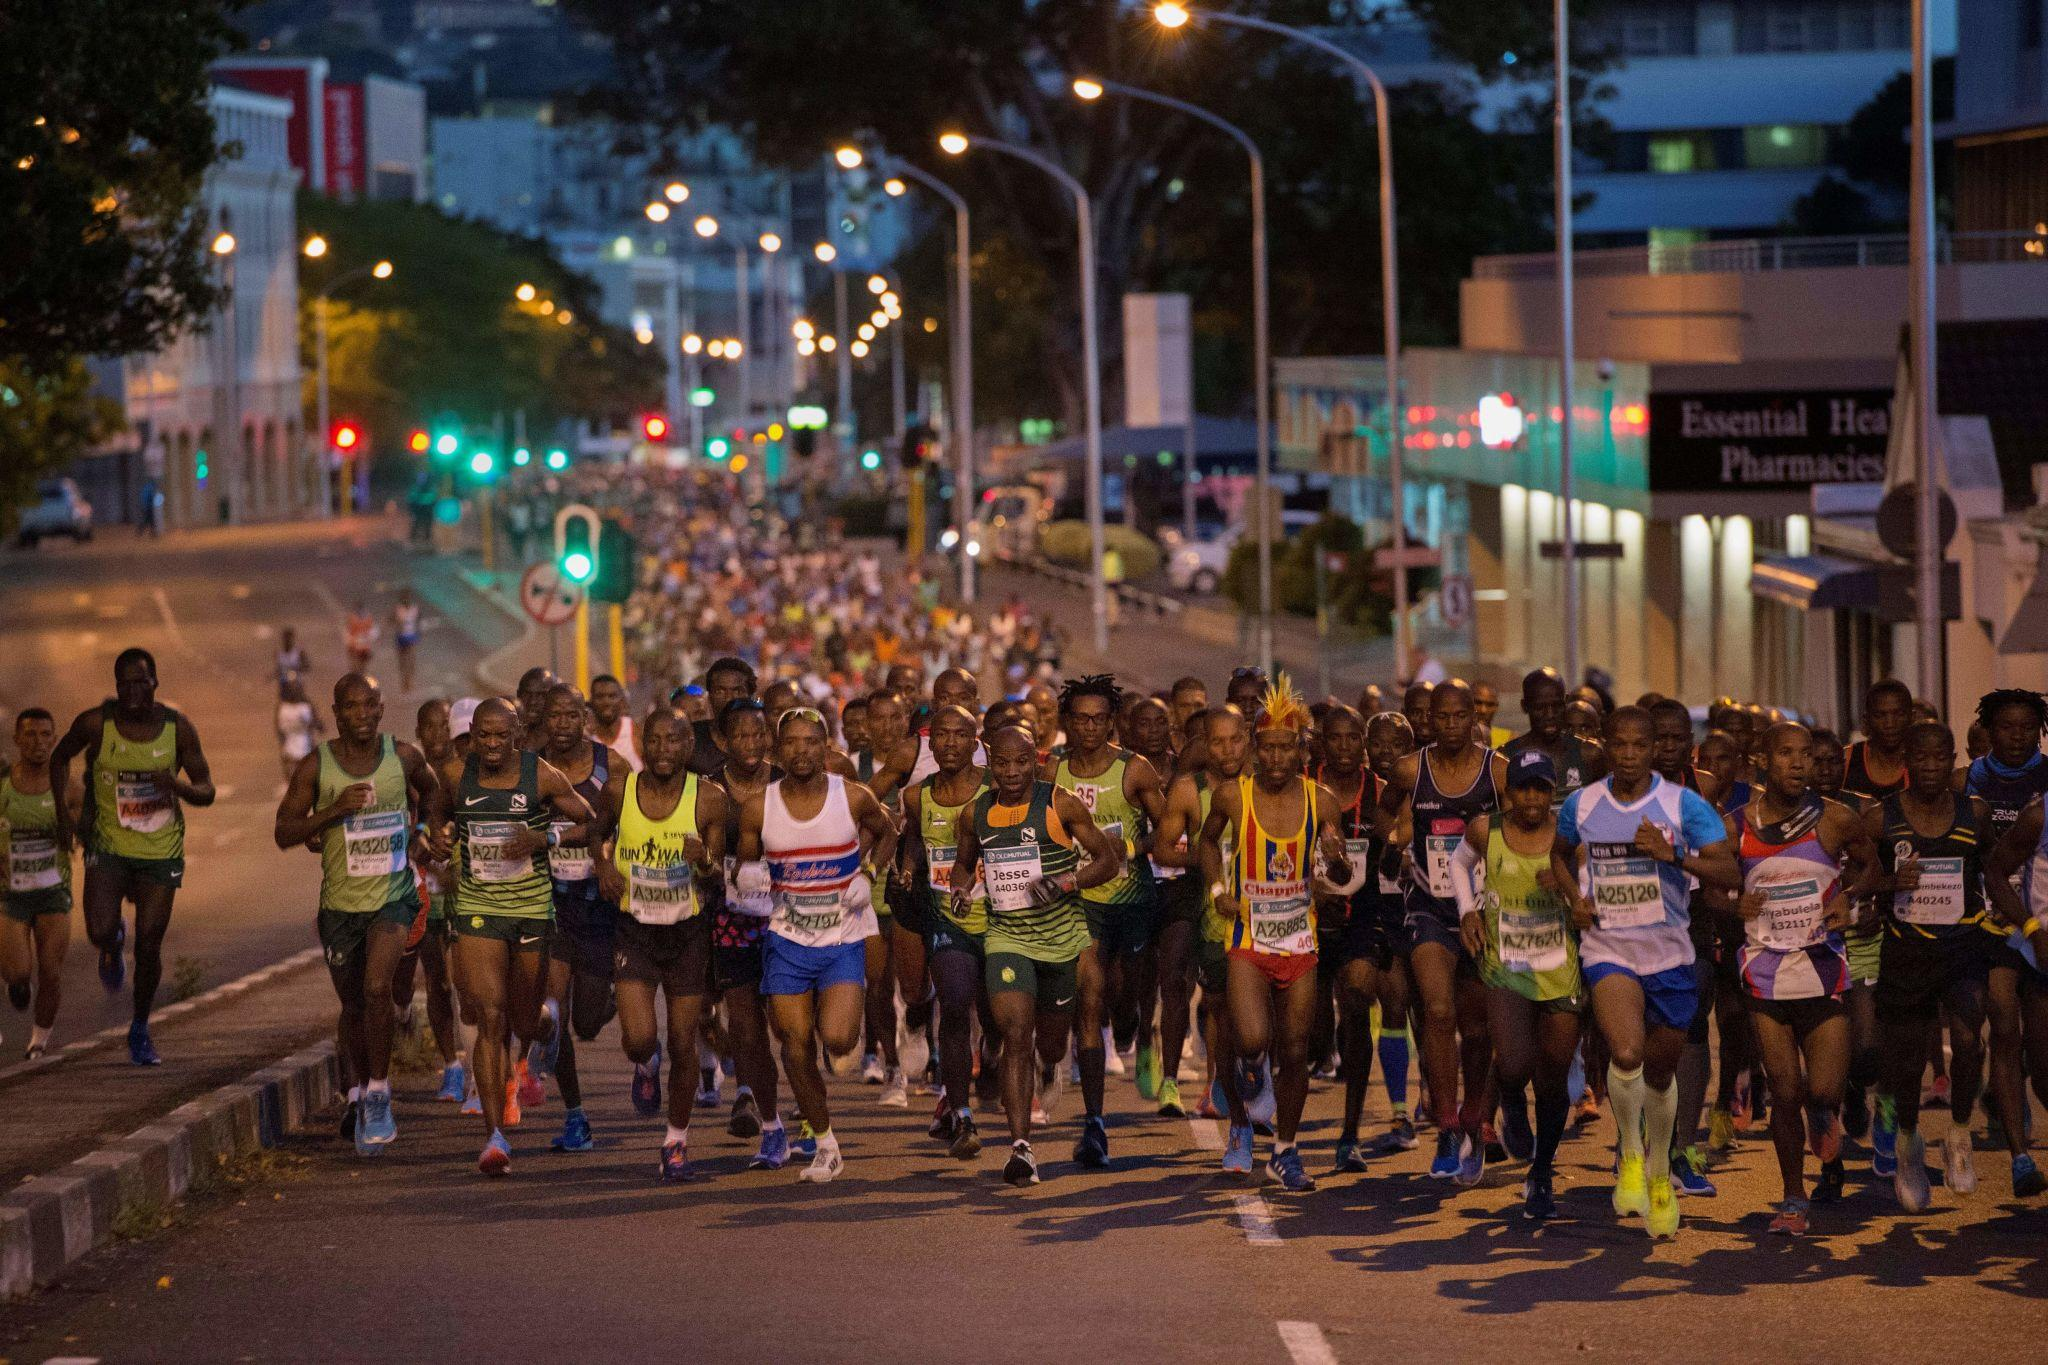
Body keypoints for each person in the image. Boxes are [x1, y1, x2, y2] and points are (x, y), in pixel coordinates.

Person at [1555, 706, 1739, 1239]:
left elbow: (1728, 872)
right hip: (1608, 947)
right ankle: (1630, 1154)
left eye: (1640, 746)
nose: (1630, 756)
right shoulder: (1582, 804)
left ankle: (1660, 1167)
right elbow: (1559, 855)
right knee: (1628, 1052)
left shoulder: (1684, 805)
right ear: (1606, 748)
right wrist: (1575, 900)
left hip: (1671, 955)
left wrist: (1673, 853)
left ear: (1655, 747)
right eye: (1620, 746)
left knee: (1661, 1072)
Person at [425, 698, 595, 1176]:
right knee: (490, 1015)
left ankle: (546, 1025)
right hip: (479, 909)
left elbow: (589, 820)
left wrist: (546, 840)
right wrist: (436, 836)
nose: (492, 745)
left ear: (517, 734)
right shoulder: (457, 774)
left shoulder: (540, 776)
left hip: (530, 910)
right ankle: (495, 1136)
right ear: (473, 735)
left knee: (522, 1019)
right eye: (484, 736)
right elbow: (435, 815)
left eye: (502, 736)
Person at [950, 726, 1123, 1185]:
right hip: (1007, 938)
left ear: (1036, 760)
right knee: (1015, 1035)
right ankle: (1021, 1148)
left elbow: (1106, 859)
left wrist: (1065, 883)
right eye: (1002, 763)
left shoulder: (1059, 802)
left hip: (1062, 941)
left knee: (1050, 1043)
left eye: (1021, 762)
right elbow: (963, 865)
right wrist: (961, 889)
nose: (1010, 773)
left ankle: (1052, 1066)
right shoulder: (976, 813)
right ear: (990, 760)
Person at [1199, 677, 1353, 1192]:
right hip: (1247, 937)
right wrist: (1218, 886)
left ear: (1300, 750)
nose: (1276, 758)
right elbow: (1205, 844)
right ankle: (1245, 1098)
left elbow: (1342, 871)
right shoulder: (1232, 796)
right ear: (1253, 749)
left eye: (1286, 748)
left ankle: (1285, 1150)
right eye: (1267, 748)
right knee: (1250, 1039)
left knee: (1295, 1049)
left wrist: (1335, 861)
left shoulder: (1322, 802)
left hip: (1299, 942)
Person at [273, 673, 436, 1154]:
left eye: (370, 705)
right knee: (353, 1006)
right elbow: (284, 832)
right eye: (352, 706)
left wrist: (422, 831)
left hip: (392, 896)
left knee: (377, 987)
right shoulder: (314, 768)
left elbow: (432, 793)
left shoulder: (402, 757)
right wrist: (332, 812)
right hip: (340, 906)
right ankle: (358, 1093)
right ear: (337, 712)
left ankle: (380, 1092)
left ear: (382, 708)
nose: (362, 715)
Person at [734, 707, 898, 1183]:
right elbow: (746, 869)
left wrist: (868, 871)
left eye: (811, 742)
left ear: (825, 747)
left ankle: (847, 1031)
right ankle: (825, 1143)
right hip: (787, 938)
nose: (801, 751)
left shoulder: (851, 795)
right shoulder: (758, 807)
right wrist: (746, 876)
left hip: (843, 934)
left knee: (839, 1039)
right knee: (794, 1045)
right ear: (777, 749)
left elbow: (889, 829)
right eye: (792, 743)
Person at [1728, 722, 1872, 1233]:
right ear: (1763, 761)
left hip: (1823, 969)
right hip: (1764, 974)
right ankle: (1793, 1198)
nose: (1798, 764)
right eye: (1786, 754)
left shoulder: (1835, 820)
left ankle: (1825, 1115)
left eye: (1806, 755)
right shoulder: (1736, 826)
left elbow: (1869, 869)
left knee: (1824, 1092)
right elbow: (1710, 887)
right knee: (1784, 1091)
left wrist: (1845, 897)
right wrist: (1731, 902)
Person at [50, 649, 216, 1066]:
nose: (132, 691)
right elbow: (58, 757)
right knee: (99, 929)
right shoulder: (96, 724)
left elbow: (207, 790)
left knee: (150, 945)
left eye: (141, 682)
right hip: (108, 847)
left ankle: (140, 1028)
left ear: (155, 682)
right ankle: (112, 943)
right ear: (116, 687)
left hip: (160, 854)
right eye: (124, 683)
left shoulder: (178, 730)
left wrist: (173, 787)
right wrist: (62, 817)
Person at [1864, 720, 2005, 1209]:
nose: (1929, 767)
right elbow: (1860, 878)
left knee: (1970, 1041)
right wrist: (1887, 884)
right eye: (1920, 758)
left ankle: (1960, 1134)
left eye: (1939, 758)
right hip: (1906, 951)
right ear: (1907, 761)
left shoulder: (1976, 813)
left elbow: (1996, 871)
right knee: (1905, 1061)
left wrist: (2011, 919)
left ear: (1953, 761)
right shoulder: (1881, 818)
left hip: (1963, 947)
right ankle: (1907, 1142)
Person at [1379, 681, 1507, 1186]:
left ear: (1474, 716)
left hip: (1482, 910)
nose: (1451, 726)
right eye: (1442, 718)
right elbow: (1384, 812)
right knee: (1436, 1009)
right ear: (1428, 721)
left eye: (1461, 717)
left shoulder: (1497, 772)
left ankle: (1475, 1116)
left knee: (1477, 1032)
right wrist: (1396, 838)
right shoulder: (1411, 770)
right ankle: (1447, 1125)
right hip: (1429, 905)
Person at [1449, 749, 1585, 1220]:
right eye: (1523, 788)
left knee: (1554, 1074)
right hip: (1506, 966)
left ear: (1552, 793)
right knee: (1513, 1062)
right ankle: (1508, 1096)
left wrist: (1569, 889)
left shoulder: (1570, 838)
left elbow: (1589, 891)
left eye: (1541, 789)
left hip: (1560, 967)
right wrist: (1467, 910)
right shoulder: (1487, 829)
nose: (1531, 798)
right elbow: (1458, 864)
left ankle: (1542, 1171)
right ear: (1509, 792)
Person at [594, 707, 728, 1181]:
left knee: (683, 1042)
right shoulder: (619, 790)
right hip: (636, 929)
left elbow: (716, 875)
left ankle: (675, 1140)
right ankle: (646, 1067)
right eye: (656, 741)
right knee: (639, 1040)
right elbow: (598, 835)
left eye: (675, 741)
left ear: (689, 747)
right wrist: (604, 866)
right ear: (644, 745)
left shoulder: (708, 799)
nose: (664, 750)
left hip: (686, 933)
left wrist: (706, 860)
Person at [1051, 674, 1168, 1161]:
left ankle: (1138, 1027)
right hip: (1082, 906)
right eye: (1081, 719)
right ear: (1068, 723)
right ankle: (1094, 1124)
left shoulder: (1135, 770)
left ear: (1112, 722)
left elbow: (1171, 835)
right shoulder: (1051, 773)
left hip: (1134, 901)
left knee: (1126, 997)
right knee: (1089, 999)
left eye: (1100, 719)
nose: (1090, 728)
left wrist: (1131, 847)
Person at [1958, 688, 2048, 1195]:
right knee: (2003, 1024)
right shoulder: (1975, 777)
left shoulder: (2047, 778)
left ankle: (2019, 1096)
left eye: (2027, 728)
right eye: (2007, 727)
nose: (2017, 736)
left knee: (2039, 1049)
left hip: (2039, 919)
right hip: (1994, 918)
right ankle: (2018, 1157)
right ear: (1989, 732)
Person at [535, 684, 626, 1155]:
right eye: (555, 715)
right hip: (549, 905)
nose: (564, 723)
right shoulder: (529, 766)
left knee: (587, 1022)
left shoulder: (613, 767)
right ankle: (575, 1116)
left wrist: (600, 848)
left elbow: (636, 820)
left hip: (598, 908)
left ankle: (609, 1001)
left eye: (572, 715)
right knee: (554, 1013)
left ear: (584, 718)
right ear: (544, 719)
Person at [895, 704, 987, 1158]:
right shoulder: (916, 796)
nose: (950, 743)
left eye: (960, 735)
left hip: (1003, 920)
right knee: (953, 1004)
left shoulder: (999, 789)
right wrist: (910, 865)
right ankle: (960, 1113)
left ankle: (987, 1062)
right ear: (930, 745)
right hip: (947, 918)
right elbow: (913, 835)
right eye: (942, 736)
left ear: (977, 743)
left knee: (996, 1020)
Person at [710, 698, 791, 1169]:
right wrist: (704, 861)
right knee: (746, 1030)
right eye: (741, 735)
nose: (752, 743)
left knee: (790, 1029)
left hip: (789, 920)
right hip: (732, 921)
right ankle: (771, 1126)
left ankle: (806, 1116)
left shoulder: (787, 786)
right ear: (722, 740)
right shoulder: (709, 792)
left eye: (759, 734)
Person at [393, 698, 466, 1103]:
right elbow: (402, 820)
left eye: (445, 726)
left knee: (455, 982)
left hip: (460, 889)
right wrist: (418, 840)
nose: (439, 734)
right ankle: (441, 1056)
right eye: (431, 727)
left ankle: (460, 1065)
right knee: (421, 982)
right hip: (420, 887)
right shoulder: (408, 774)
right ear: (420, 733)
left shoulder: (464, 772)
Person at [2, 709, 82, 1059]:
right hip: (12, 894)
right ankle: (15, 983)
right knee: (19, 972)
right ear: (17, 739)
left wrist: (73, 831)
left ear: (54, 740)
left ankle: (39, 1041)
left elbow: (85, 826)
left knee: (51, 972)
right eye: (29, 735)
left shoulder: (68, 784)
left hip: (53, 892)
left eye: (44, 735)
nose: (37, 742)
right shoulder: (3, 784)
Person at [1503, 667, 1607, 810]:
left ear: (1565, 702)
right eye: (1540, 707)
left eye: (1556, 706)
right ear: (1525, 706)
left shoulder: (1589, 753)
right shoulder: (1506, 758)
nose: (1550, 714)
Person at [590, 675, 642, 772]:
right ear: (591, 701)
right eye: (600, 697)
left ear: (621, 700)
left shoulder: (636, 731)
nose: (606, 702)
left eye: (612, 696)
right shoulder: (587, 740)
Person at [276, 673, 322, 783]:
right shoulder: (285, 708)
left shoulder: (301, 706)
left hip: (302, 745)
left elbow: (318, 725)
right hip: (293, 746)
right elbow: (278, 729)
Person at [390, 592, 423, 695]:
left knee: (411, 660)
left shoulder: (414, 609)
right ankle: (404, 680)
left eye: (408, 599)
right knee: (403, 661)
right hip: (401, 637)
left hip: (411, 637)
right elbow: (391, 619)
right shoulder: (398, 609)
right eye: (405, 599)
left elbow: (419, 620)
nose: (406, 601)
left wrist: (419, 632)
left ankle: (409, 680)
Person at [1472, 681, 1512, 749]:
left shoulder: (1509, 739)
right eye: (1478, 703)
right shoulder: (1452, 737)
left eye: (1490, 705)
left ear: (1496, 707)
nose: (1483, 710)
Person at [344, 603, 379, 675]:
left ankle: (360, 677)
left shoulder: (365, 619)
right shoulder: (354, 619)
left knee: (360, 667)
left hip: (362, 649)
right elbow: (374, 633)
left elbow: (374, 633)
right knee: (358, 667)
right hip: (357, 648)